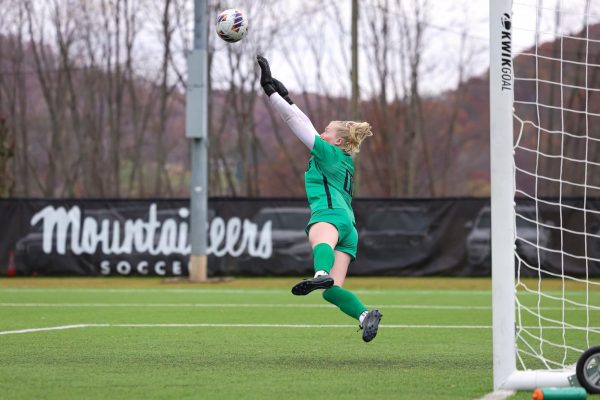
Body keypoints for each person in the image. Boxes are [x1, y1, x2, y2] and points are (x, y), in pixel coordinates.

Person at [256, 55, 382, 342]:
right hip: (349, 227)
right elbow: (303, 120)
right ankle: (365, 316)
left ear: (338, 140)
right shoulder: (343, 159)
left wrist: (273, 95)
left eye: (326, 132)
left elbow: (296, 123)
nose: (321, 134)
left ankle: (320, 270)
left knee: (319, 241)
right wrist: (286, 96)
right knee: (331, 290)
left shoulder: (330, 153)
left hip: (331, 214)